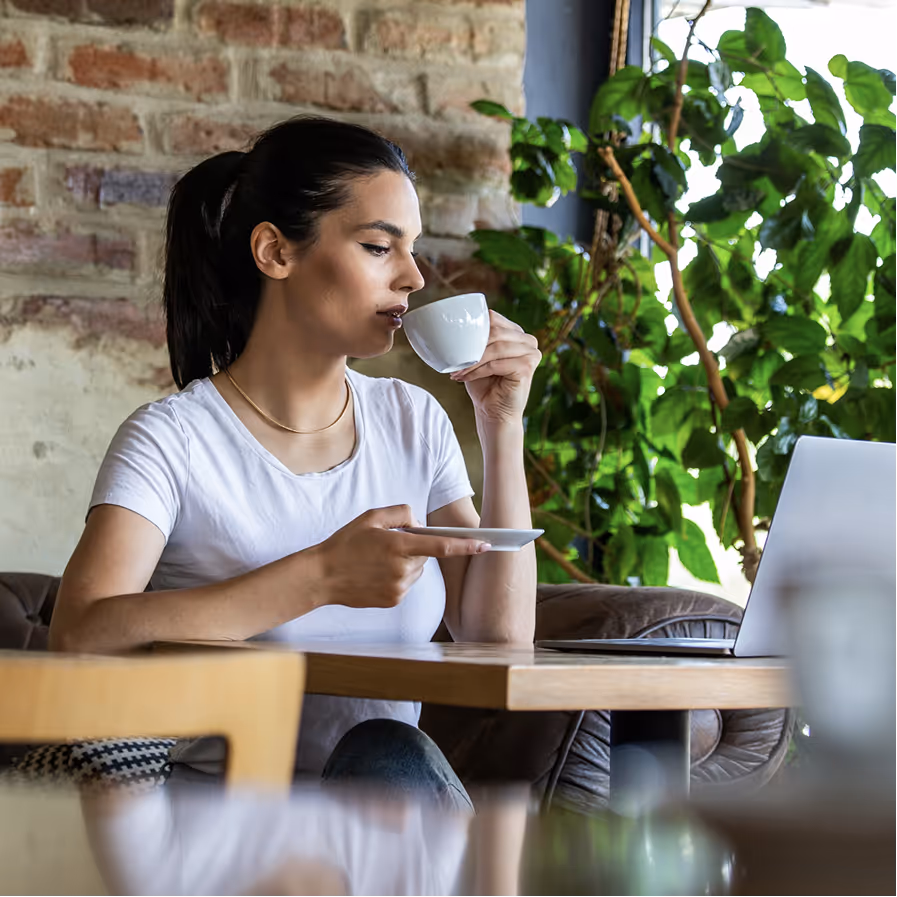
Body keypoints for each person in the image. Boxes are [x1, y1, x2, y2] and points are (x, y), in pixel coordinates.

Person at [48, 116, 541, 799]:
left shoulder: (412, 420)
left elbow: (499, 638)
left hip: (378, 829)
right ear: (275, 252)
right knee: (388, 750)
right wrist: (319, 575)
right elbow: (78, 636)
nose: (413, 277)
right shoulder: (173, 440)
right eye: (378, 246)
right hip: (214, 835)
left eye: (412, 251)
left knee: (385, 750)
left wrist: (501, 423)